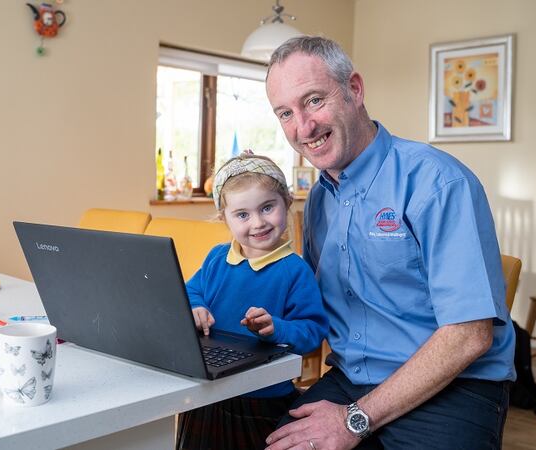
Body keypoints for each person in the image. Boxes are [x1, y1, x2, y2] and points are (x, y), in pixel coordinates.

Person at [263, 36, 515, 450]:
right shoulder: (320, 198)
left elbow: (470, 335)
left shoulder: (437, 182)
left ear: (355, 90)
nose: (303, 128)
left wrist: (353, 420)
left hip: (455, 384)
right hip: (352, 378)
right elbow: (307, 304)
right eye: (285, 113)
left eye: (313, 101)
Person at [176, 152, 329, 450]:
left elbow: (313, 331)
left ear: (286, 202)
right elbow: (190, 290)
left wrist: (277, 328)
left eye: (267, 207)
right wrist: (197, 307)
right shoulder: (216, 258)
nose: (258, 223)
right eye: (242, 215)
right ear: (225, 218)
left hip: (263, 399)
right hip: (208, 393)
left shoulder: (295, 270)